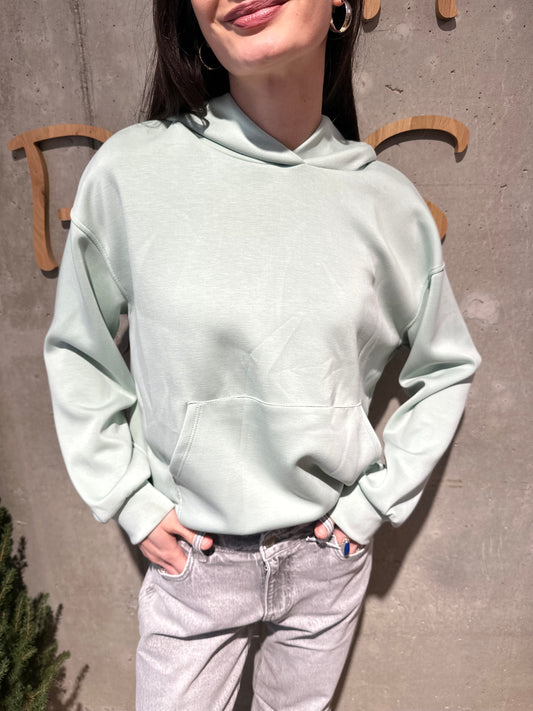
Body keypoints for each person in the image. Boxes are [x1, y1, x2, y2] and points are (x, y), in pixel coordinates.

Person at [44, 0, 481, 709]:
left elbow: (447, 366)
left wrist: (368, 510)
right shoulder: (132, 173)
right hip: (194, 563)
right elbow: (79, 349)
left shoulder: (388, 205)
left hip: (326, 561)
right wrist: (129, 499)